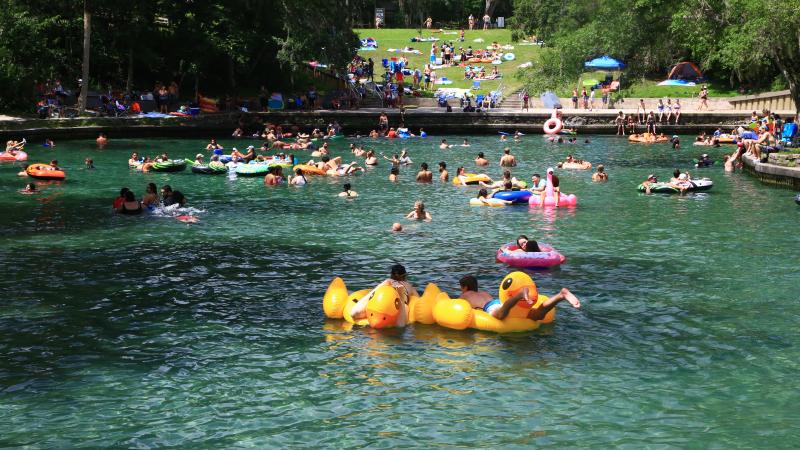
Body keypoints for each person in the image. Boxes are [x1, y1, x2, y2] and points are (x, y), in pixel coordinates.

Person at [460, 274, 580, 321]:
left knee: (500, 315)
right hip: (498, 302)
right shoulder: (484, 293)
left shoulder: (465, 295)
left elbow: (463, 308)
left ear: (465, 287)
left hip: (493, 307)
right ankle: (561, 295)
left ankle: (520, 294)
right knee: (537, 315)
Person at [350, 264, 419, 327]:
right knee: (400, 326)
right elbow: (418, 300)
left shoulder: (387, 282)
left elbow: (353, 314)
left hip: (381, 304)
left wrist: (378, 288)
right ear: (405, 276)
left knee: (353, 313)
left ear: (391, 275)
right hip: (397, 309)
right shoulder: (409, 286)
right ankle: (400, 298)